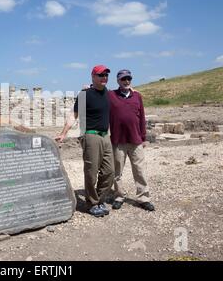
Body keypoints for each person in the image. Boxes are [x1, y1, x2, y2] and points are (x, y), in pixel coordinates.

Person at [56, 65, 115, 217]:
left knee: (109, 171)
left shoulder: (108, 93)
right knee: (91, 172)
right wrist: (63, 133)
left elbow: (121, 98)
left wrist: (133, 91)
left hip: (105, 136)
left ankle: (100, 199)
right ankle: (92, 203)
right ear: (93, 77)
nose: (104, 77)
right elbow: (73, 115)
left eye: (106, 75)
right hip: (91, 136)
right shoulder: (84, 95)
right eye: (101, 75)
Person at [108, 69, 155, 211]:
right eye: (123, 79)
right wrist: (88, 88)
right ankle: (119, 196)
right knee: (117, 172)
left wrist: (144, 137)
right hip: (118, 140)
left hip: (135, 140)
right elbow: (98, 92)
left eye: (128, 79)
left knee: (140, 170)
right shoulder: (111, 95)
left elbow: (142, 118)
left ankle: (143, 198)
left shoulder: (137, 96)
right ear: (118, 81)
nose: (126, 81)